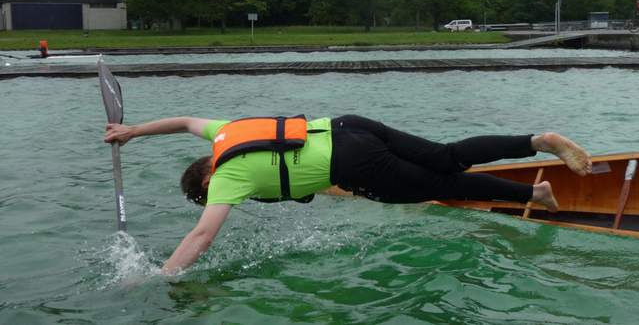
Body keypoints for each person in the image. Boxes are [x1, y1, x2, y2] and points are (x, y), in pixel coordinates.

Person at [104, 114, 592, 274]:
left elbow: (202, 236)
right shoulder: (224, 134)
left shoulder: (228, 179)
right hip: (348, 125)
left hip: (355, 163)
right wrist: (132, 132)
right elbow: (184, 121)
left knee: (445, 186)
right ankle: (537, 142)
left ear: (207, 180)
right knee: (445, 155)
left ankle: (535, 193)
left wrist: (161, 276)